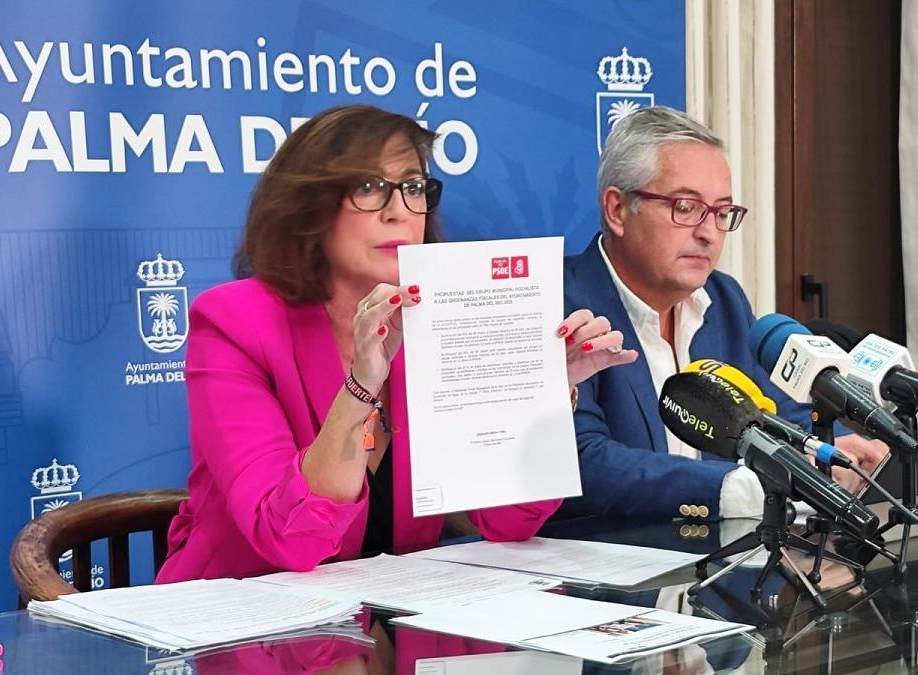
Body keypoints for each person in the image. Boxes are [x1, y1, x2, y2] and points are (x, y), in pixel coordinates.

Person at [157, 105, 637, 583]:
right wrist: (362, 384)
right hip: (243, 625)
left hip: (393, 626)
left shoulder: (444, 314)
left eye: (412, 187)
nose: (399, 212)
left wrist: (540, 393)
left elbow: (510, 522)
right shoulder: (234, 323)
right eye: (368, 187)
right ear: (308, 207)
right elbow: (289, 538)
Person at [562, 106, 886, 521]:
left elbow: (779, 412)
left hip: (718, 562)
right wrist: (739, 487)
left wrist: (839, 450)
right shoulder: (562, 307)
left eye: (721, 212)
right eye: (686, 207)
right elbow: (582, 462)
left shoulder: (723, 299)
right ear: (617, 210)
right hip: (607, 570)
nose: (708, 232)